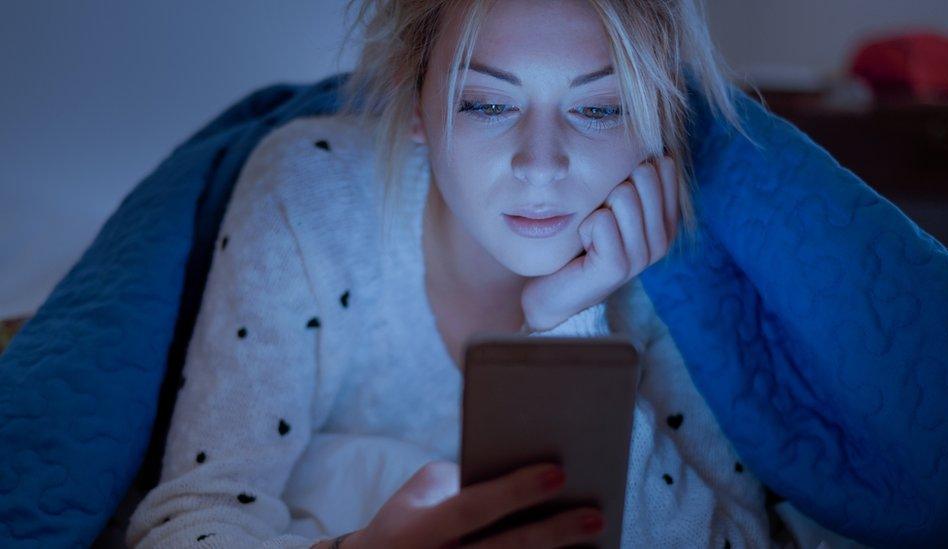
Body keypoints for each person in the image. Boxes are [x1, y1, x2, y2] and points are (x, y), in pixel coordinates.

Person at [125, 1, 860, 547]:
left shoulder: (674, 256)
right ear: (418, 108)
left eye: (600, 108)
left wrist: (569, 320)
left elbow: (737, 540)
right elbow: (189, 519)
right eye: (485, 102)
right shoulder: (312, 194)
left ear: (657, 123)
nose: (540, 164)